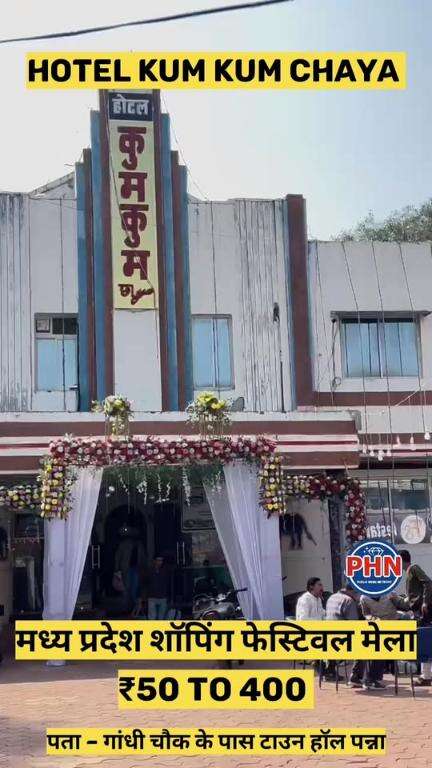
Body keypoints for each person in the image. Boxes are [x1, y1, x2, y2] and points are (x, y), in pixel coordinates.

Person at [398, 550, 432, 686]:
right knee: (424, 641)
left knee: (425, 641)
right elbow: (413, 594)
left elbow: (428, 583)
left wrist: (425, 602)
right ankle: (426, 675)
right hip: (418, 611)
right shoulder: (409, 573)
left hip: (423, 611)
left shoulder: (413, 568)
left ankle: (426, 675)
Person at [325, 583, 362, 684]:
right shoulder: (349, 600)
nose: (358, 595)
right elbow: (354, 624)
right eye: (357, 593)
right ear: (352, 591)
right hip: (342, 639)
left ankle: (330, 671)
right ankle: (355, 676)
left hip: (329, 636)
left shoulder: (332, 597)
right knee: (365, 645)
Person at [136, 555, 172, 620]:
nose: (160, 562)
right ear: (154, 561)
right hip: (152, 597)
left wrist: (168, 596)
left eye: (161, 560)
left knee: (161, 618)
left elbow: (168, 584)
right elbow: (144, 584)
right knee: (152, 617)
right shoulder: (149, 571)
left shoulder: (165, 571)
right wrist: (141, 596)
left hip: (162, 597)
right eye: (158, 560)